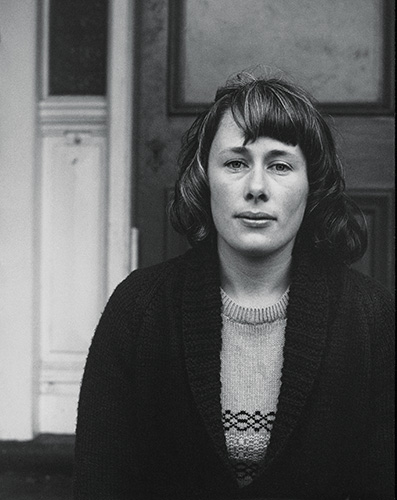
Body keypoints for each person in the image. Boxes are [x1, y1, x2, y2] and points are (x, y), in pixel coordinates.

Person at [73, 71, 394, 499]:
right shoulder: (139, 309)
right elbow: (102, 481)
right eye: (236, 163)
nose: (256, 188)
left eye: (280, 165)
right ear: (205, 178)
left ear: (311, 185)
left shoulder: (371, 318)